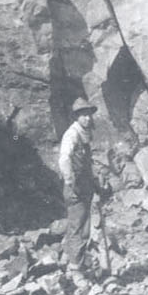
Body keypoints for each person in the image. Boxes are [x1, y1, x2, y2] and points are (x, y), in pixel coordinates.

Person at [57, 97, 109, 271]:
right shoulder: (72, 134)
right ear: (76, 117)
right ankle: (75, 269)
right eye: (84, 115)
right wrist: (70, 180)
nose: (88, 118)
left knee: (81, 227)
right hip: (75, 189)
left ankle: (70, 261)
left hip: (85, 186)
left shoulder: (84, 133)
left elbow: (86, 162)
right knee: (78, 229)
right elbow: (64, 158)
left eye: (89, 115)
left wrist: (94, 184)